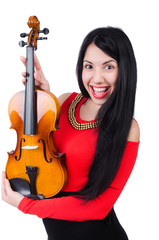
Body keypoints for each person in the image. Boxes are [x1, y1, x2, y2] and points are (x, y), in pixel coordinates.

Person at [2, 26, 140, 240]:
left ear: (125, 70)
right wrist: (42, 99)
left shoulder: (128, 128)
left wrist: (25, 204)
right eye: (89, 66)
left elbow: (98, 207)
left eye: (109, 67)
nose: (97, 78)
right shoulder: (64, 101)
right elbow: (37, 151)